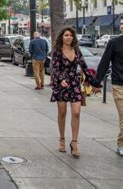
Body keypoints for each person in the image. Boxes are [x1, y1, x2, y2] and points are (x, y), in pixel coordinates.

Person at [50, 27, 102, 158]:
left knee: (77, 113)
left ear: (73, 38)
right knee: (62, 112)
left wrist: (96, 83)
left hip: (74, 84)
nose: (69, 37)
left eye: (71, 35)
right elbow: (55, 69)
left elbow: (85, 69)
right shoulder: (57, 51)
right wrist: (61, 80)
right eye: (66, 35)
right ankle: (62, 138)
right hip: (61, 85)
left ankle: (74, 142)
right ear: (62, 37)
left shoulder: (77, 51)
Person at [95, 34, 123, 156]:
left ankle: (121, 142)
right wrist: (97, 82)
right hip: (119, 85)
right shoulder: (114, 42)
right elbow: (105, 62)